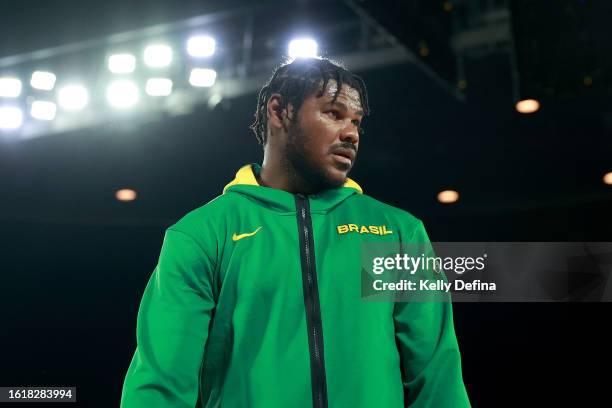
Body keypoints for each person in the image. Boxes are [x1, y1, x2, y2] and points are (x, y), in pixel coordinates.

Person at [120, 57, 471, 407]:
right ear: (279, 111)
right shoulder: (203, 233)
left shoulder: (398, 233)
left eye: (356, 121)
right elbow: (160, 386)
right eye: (333, 113)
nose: (351, 133)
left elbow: (437, 376)